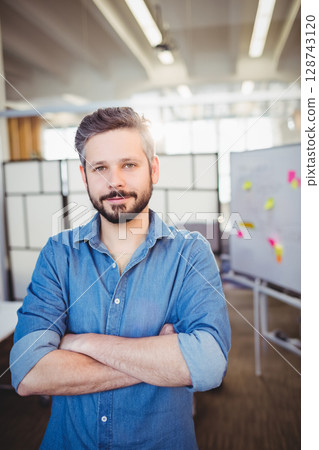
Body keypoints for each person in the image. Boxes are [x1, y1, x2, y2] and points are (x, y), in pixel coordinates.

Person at [10, 107, 231, 449]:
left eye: (129, 164)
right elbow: (27, 372)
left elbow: (208, 364)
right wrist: (160, 361)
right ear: (84, 177)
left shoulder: (191, 253)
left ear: (153, 169)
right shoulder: (58, 254)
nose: (115, 182)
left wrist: (81, 342)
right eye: (100, 168)